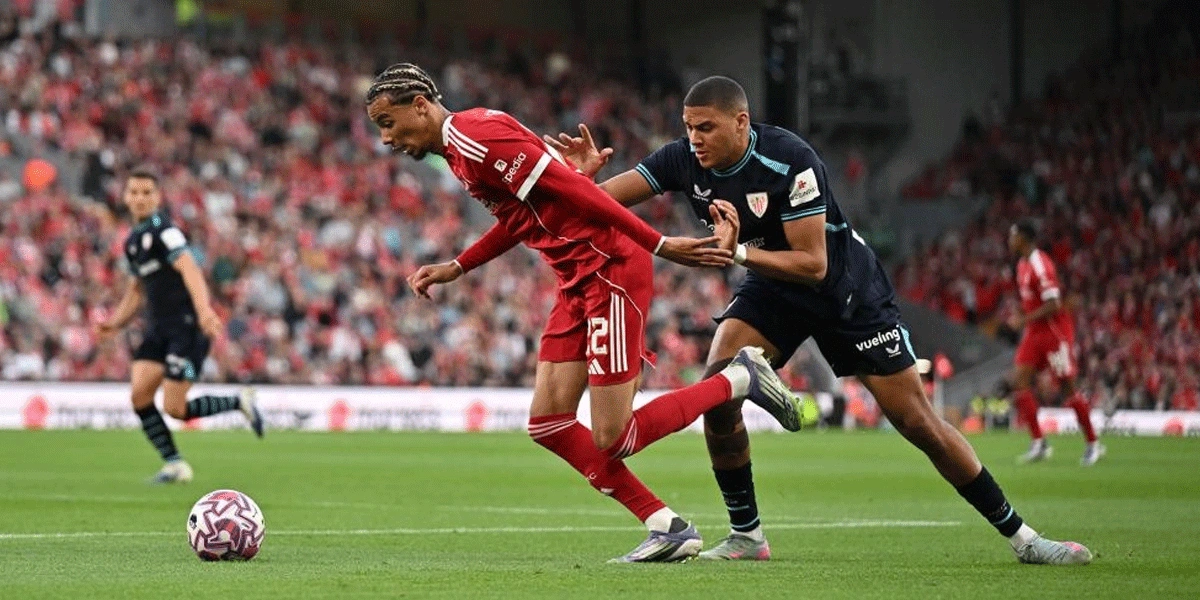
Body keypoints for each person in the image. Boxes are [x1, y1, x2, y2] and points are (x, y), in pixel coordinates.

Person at [545, 75, 1092, 565]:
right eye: (688, 128)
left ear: (741, 122)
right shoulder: (680, 160)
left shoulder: (791, 160)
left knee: (916, 421)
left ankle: (1023, 538)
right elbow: (596, 206)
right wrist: (584, 181)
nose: (694, 140)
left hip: (844, 290)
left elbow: (813, 264)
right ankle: (747, 536)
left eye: (706, 128)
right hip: (772, 288)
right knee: (720, 389)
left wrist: (734, 254)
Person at [365, 63, 803, 563]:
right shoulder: (463, 149)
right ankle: (668, 527)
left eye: (388, 122)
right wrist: (459, 266)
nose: (385, 138)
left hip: (608, 269)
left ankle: (739, 378)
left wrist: (657, 242)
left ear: (420, 105)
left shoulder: (475, 137)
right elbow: (526, 213)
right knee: (548, 422)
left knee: (614, 437)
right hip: (576, 278)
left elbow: (577, 194)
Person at [95, 170, 263, 484]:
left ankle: (238, 402)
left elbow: (189, 266)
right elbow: (136, 289)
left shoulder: (165, 231)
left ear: (158, 197)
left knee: (175, 408)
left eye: (147, 192)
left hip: (185, 328)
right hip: (157, 329)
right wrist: (115, 323)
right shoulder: (132, 241)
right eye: (134, 192)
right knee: (140, 397)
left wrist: (202, 310)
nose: (140, 198)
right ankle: (174, 464)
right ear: (126, 197)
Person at [1007, 220, 1104, 465]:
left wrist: (1024, 319)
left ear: (1024, 238)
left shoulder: (1041, 264)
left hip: (1054, 333)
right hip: (1034, 332)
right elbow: (1031, 299)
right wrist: (1022, 316)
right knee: (1019, 381)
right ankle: (1039, 443)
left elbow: (1054, 304)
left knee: (1067, 387)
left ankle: (1093, 443)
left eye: (1013, 235)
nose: (1010, 240)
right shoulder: (1021, 265)